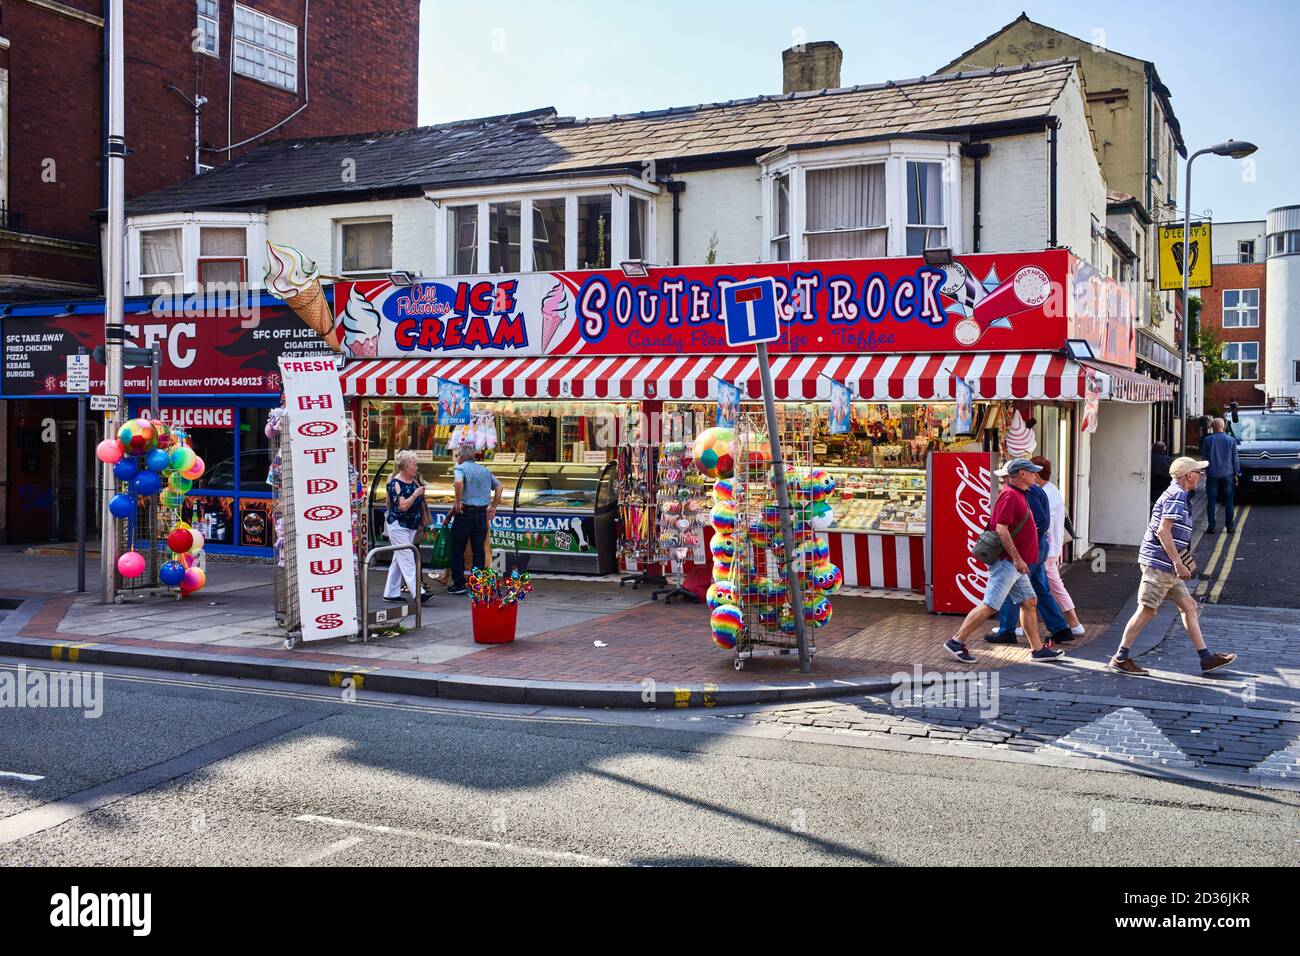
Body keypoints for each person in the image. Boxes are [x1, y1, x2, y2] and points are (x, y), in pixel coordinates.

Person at [1109, 457, 1237, 676]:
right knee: (1147, 610)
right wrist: (1178, 563)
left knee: (1188, 606)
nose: (1201, 475)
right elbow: (1162, 531)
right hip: (1161, 565)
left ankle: (1206, 658)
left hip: (1166, 564)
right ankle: (1120, 657)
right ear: (1189, 475)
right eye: (1199, 472)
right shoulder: (1177, 495)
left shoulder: (1178, 494)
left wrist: (1180, 559)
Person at [943, 459, 1066, 664]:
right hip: (1008, 562)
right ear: (1021, 474)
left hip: (1015, 563)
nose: (1036, 475)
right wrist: (1017, 559)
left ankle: (1037, 649)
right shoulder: (1010, 495)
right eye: (1032, 472)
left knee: (1029, 601)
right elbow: (1001, 528)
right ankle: (956, 641)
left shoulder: (1020, 494)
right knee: (991, 604)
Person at [987, 455, 1073, 646]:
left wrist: (1027, 539)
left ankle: (1007, 629)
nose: (1003, 481)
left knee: (1013, 586)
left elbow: (1039, 521)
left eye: (1006, 477)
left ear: (1018, 475)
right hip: (1039, 545)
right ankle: (1060, 628)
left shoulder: (1025, 492)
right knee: (1039, 588)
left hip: (1031, 546)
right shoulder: (1039, 490)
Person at [1034, 455, 1087, 637]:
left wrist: (1041, 544)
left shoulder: (1046, 493)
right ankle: (1015, 625)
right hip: (1051, 548)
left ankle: (1074, 623)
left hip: (1047, 549)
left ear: (1036, 474)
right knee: (1039, 585)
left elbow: (1047, 522)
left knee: (1053, 586)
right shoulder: (1052, 490)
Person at [447, 443, 503, 595]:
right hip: (481, 515)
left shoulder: (460, 468)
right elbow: (499, 487)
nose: (457, 457)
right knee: (479, 550)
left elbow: (458, 482)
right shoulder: (485, 470)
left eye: (458, 455)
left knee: (457, 549)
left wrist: (458, 503)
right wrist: (493, 506)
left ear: (462, 456)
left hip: (465, 514)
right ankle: (478, 583)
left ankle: (458, 583)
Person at [383, 450, 433, 605]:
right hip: (398, 525)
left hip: (411, 526)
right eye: (413, 465)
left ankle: (390, 593)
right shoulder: (395, 484)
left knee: (399, 559)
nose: (416, 468)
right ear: (404, 467)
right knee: (408, 558)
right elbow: (402, 506)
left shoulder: (414, 480)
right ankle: (418, 593)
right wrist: (416, 494)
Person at [1201, 418, 1240, 534]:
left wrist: (1203, 470)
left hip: (1212, 474)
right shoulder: (1231, 440)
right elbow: (1235, 459)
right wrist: (1237, 473)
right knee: (1229, 501)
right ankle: (1230, 527)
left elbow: (1204, 458)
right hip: (1228, 474)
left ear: (1213, 427)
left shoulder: (1207, 440)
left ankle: (1211, 526)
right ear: (1223, 427)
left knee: (1211, 501)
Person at [1150, 441, 1173, 505]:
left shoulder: (1148, 459)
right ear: (1164, 449)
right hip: (1164, 487)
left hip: (1150, 487)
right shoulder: (1169, 460)